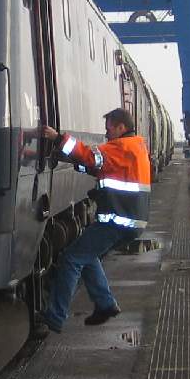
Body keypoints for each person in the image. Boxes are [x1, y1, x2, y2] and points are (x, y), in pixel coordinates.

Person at [39, 108, 152, 332]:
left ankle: (56, 316)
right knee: (87, 255)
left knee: (71, 259)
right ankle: (105, 304)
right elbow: (97, 167)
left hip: (117, 221)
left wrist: (58, 138)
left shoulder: (121, 147)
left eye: (109, 128)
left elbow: (91, 157)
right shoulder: (135, 146)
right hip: (129, 221)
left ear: (121, 127)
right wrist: (70, 161)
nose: (106, 133)